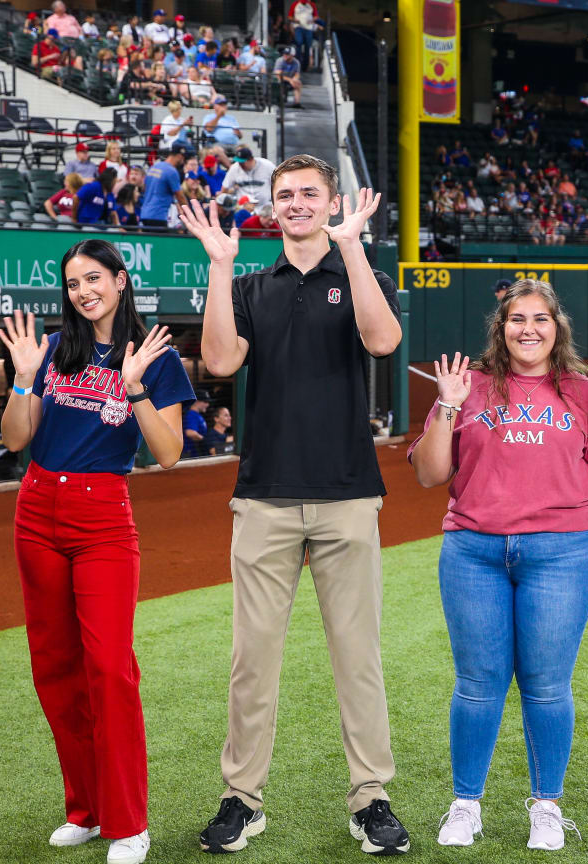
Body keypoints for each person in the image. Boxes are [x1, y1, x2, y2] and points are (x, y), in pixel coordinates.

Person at [181, 158, 411, 856]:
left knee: (358, 658)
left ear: (332, 202)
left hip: (348, 494)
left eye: (310, 193)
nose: (297, 203)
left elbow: (383, 340)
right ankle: (241, 799)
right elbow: (220, 361)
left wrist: (352, 248)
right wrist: (220, 266)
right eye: (285, 195)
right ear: (272, 207)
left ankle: (371, 798)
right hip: (265, 497)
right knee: (251, 661)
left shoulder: (361, 273)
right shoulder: (250, 287)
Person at [409, 281, 588, 851]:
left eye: (540, 319)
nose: (528, 329)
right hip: (473, 554)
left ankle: (547, 807)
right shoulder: (469, 386)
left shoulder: (585, 394)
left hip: (560, 556)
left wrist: (566, 519)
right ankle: (466, 804)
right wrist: (448, 403)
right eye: (516, 319)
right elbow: (430, 474)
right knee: (477, 684)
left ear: (558, 329)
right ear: (500, 327)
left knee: (548, 686)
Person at [0, 239, 193, 864]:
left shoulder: (154, 354)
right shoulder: (54, 350)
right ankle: (85, 807)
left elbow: (169, 453)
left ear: (120, 279)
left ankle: (128, 822)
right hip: (37, 509)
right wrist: (22, 379)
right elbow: (16, 439)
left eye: (94, 278)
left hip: (103, 514)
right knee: (56, 667)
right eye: (73, 283)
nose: (83, 291)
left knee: (109, 667)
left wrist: (134, 390)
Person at [139, 143, 188, 229]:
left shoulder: (155, 166)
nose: (183, 161)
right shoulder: (171, 171)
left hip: (144, 214)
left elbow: (144, 188)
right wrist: (189, 213)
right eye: (183, 158)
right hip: (158, 216)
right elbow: (180, 196)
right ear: (179, 156)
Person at [220, 146, 276, 211]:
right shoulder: (234, 168)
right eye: (239, 162)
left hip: (265, 208)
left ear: (251, 159)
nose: (240, 165)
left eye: (242, 162)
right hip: (243, 209)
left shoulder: (267, 166)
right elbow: (225, 188)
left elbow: (279, 184)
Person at [289, 0, 317, 71]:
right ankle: (298, 63)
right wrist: (295, 20)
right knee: (299, 42)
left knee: (308, 46)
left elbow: (316, 16)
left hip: (308, 28)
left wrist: (311, 20)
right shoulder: (295, 4)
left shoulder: (311, 4)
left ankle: (305, 66)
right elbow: (290, 16)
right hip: (298, 27)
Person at [181, 389, 209, 455]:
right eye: (205, 402)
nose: (207, 404)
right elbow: (190, 433)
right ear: (196, 401)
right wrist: (205, 441)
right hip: (190, 453)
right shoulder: (191, 414)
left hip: (195, 453)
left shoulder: (196, 414)